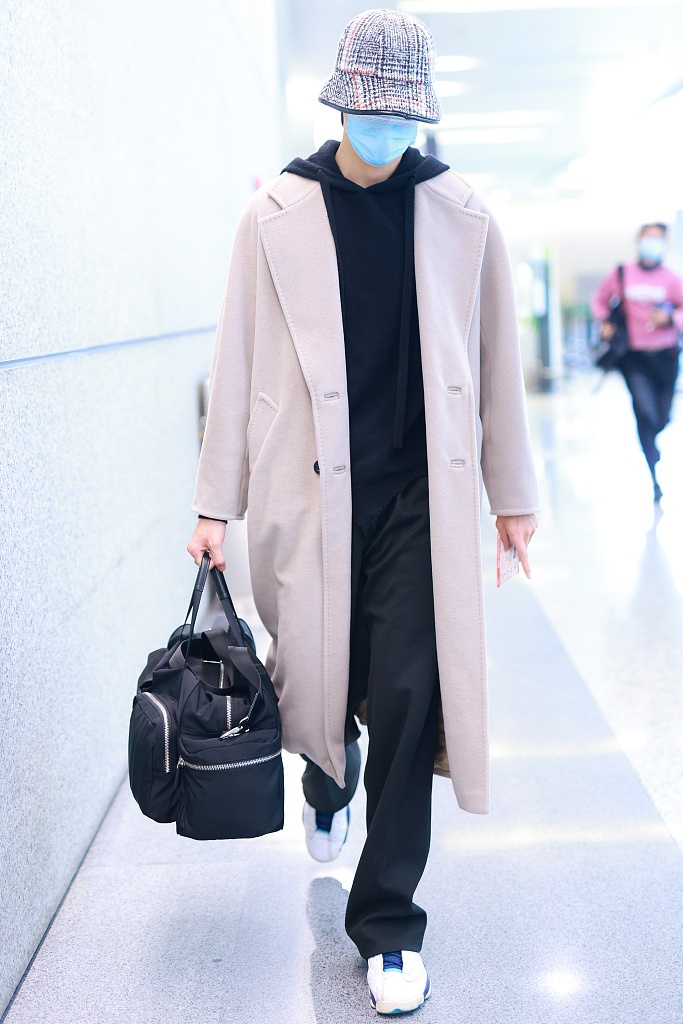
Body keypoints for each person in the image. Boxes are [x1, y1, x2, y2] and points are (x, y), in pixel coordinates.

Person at [187, 9, 539, 1016]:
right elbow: (235, 361)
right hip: (309, 497)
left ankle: (387, 927)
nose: (386, 133)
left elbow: (495, 364)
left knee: (409, 696)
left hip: (422, 503)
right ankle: (324, 779)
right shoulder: (274, 214)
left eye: (401, 118)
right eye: (370, 114)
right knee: (321, 680)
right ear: (340, 108)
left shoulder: (461, 212)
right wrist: (213, 503)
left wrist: (512, 497)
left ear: (419, 117)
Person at [592, 223, 683, 502]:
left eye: (658, 239)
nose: (652, 243)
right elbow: (599, 301)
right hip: (633, 356)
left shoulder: (672, 278)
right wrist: (605, 321)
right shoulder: (622, 273)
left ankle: (652, 447)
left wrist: (670, 318)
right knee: (645, 412)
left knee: (662, 417)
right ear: (639, 240)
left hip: (666, 355)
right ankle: (653, 471)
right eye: (648, 238)